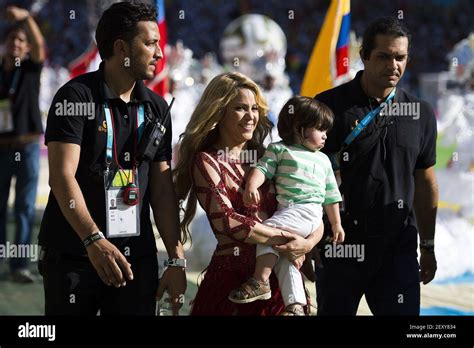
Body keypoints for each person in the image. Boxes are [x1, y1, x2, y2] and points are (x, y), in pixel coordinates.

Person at [38, 1, 186, 315]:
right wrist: (93, 240)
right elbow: (61, 177)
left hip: (135, 259)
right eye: (150, 43)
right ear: (121, 48)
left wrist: (175, 259)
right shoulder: (75, 97)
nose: (159, 53)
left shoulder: (158, 108)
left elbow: (161, 189)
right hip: (74, 255)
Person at [313, 17, 438, 315]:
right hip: (340, 246)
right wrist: (311, 242)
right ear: (364, 56)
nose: (393, 65)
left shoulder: (421, 113)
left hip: (398, 248)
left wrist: (428, 246)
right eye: (383, 56)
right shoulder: (327, 107)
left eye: (400, 57)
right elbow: (308, 177)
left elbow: (425, 183)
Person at [174, 72, 322, 315]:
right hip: (232, 284)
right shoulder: (207, 161)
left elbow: (312, 202)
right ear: (219, 112)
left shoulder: (272, 157)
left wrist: (307, 243)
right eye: (240, 108)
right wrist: (287, 239)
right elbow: (228, 222)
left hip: (281, 285)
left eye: (254, 108)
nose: (251, 116)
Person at [228, 96, 344, 316]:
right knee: (285, 256)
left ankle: (260, 280)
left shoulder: (324, 160)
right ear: (300, 128)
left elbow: (331, 196)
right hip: (292, 215)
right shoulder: (279, 150)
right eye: (321, 129)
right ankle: (295, 306)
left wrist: (336, 223)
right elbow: (262, 169)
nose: (325, 135)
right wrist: (252, 185)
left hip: (306, 213)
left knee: (266, 233)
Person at [0, 6, 45, 283]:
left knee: (24, 209)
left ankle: (19, 266)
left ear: (27, 48)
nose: (16, 44)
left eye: (21, 40)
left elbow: (40, 43)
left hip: (27, 147)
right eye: (11, 40)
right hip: (1, 148)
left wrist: (26, 18)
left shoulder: (30, 69)